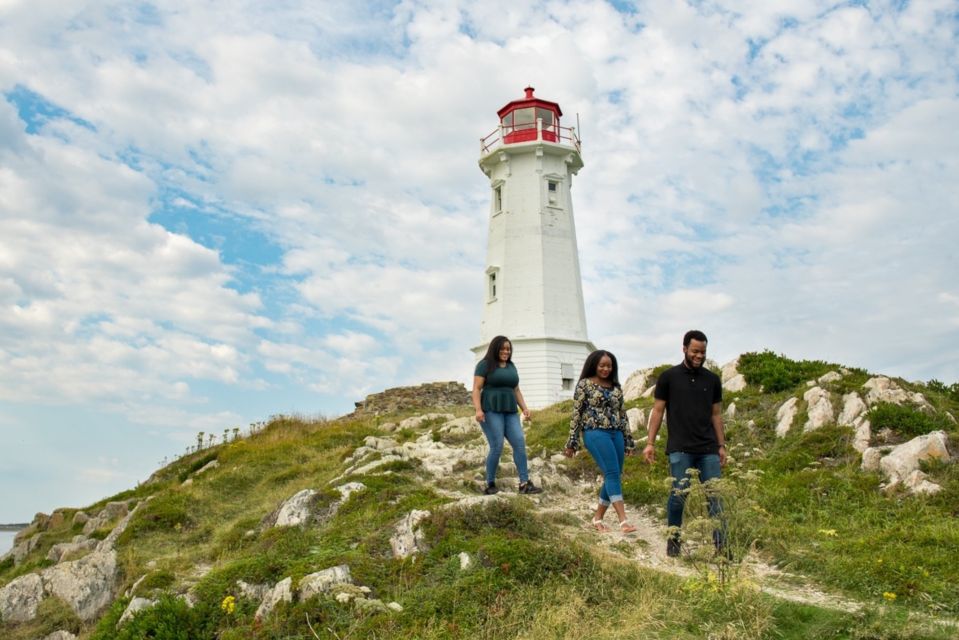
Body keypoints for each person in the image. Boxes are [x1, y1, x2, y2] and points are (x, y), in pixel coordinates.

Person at [643, 330, 726, 557]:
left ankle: (722, 547)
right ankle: (674, 540)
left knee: (716, 498)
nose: (699, 356)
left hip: (708, 448)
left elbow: (716, 415)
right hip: (680, 448)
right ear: (684, 349)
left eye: (703, 352)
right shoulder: (669, 377)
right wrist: (650, 443)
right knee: (679, 495)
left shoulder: (712, 380)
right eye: (695, 351)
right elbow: (658, 411)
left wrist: (721, 446)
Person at [564, 350, 638, 533]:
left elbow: (622, 415)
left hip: (616, 434)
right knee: (612, 472)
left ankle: (597, 518)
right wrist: (572, 441)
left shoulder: (616, 387)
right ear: (594, 365)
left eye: (609, 366)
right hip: (595, 433)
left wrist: (629, 440)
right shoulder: (584, 385)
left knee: (614, 474)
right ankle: (623, 520)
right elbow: (577, 414)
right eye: (602, 365)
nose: (606, 369)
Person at [472, 336, 542, 495]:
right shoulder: (484, 365)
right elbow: (476, 389)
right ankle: (490, 483)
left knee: (519, 443)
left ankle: (524, 483)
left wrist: (524, 408)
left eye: (508, 349)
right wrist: (478, 410)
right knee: (497, 446)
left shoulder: (511, 366)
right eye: (502, 348)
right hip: (490, 410)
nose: (506, 351)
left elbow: (516, 390)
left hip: (510, 411)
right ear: (495, 349)